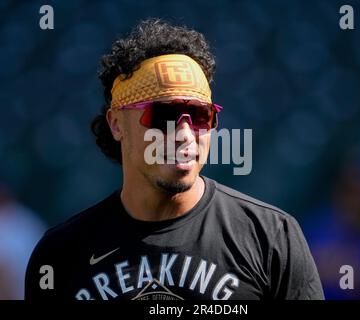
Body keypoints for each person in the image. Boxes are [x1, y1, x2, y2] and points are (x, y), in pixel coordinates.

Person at [25, 19, 324, 300]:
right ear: (116, 124)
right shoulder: (61, 255)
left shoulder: (271, 237)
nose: (183, 133)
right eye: (163, 115)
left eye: (199, 115)